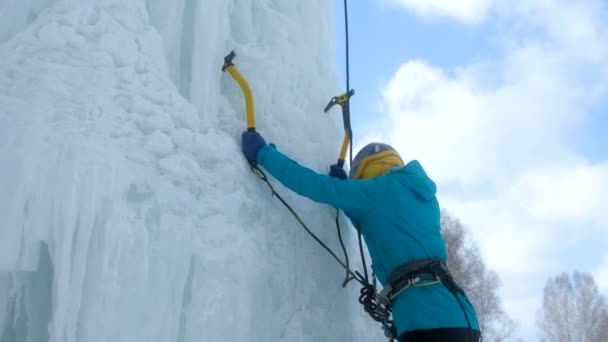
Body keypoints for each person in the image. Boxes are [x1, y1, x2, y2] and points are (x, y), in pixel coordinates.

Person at [241, 130, 481, 342]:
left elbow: (314, 185)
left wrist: (263, 154)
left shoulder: (377, 191)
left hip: (426, 321)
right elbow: (381, 226)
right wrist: (348, 196)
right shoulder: (423, 197)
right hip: (461, 317)